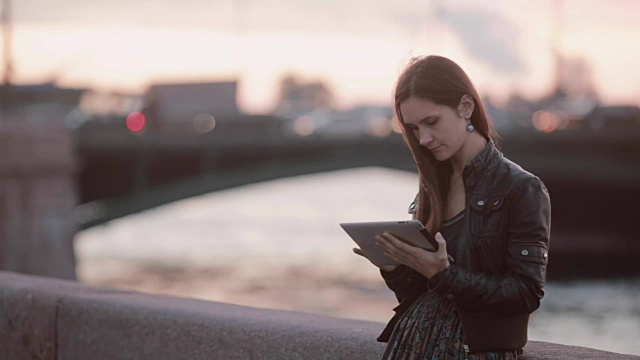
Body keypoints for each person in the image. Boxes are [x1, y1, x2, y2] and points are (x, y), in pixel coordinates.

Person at [353, 55, 551, 359]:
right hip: (412, 344)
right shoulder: (432, 185)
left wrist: (445, 274)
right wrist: (393, 266)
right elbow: (420, 293)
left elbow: (526, 293)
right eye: (415, 128)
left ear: (465, 107)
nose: (424, 139)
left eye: (431, 122)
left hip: (477, 351)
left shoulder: (520, 187)